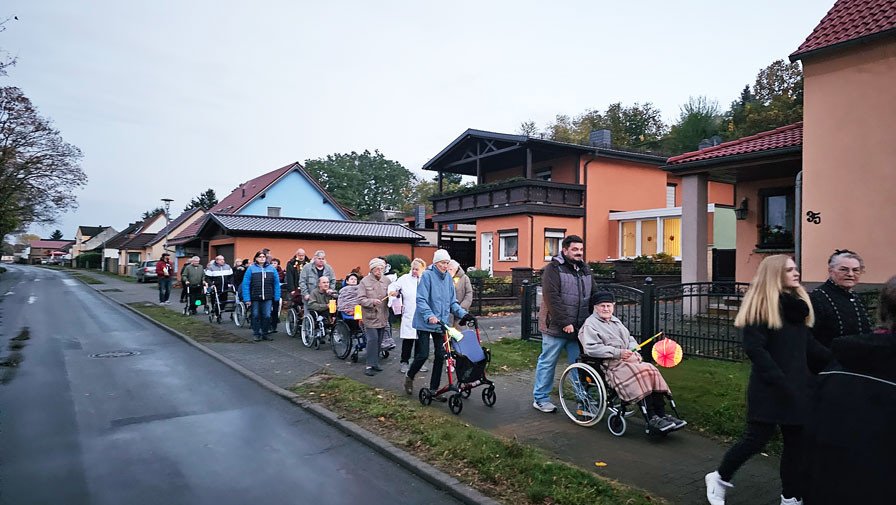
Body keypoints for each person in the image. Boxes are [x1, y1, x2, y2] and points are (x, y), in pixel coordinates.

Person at [705, 255, 831, 505]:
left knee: (796, 445)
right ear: (774, 274)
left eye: (796, 268)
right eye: (789, 270)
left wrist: (841, 357)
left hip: (798, 389)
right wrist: (779, 379)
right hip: (770, 389)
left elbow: (810, 347)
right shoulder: (761, 308)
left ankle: (790, 496)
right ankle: (719, 478)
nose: (796, 273)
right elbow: (756, 350)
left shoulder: (796, 309)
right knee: (755, 440)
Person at [804, 275, 895, 505]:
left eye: (856, 268)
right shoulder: (819, 299)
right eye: (844, 268)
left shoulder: (840, 364)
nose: (851, 274)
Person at [579, 291, 686, 432]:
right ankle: (652, 417)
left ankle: (662, 414)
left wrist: (632, 349)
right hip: (610, 364)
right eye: (602, 306)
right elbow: (591, 349)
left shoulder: (616, 321)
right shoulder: (590, 325)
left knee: (651, 369)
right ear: (595, 307)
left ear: (613, 306)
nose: (606, 309)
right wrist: (618, 353)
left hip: (629, 360)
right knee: (640, 372)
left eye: (609, 306)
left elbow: (630, 339)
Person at [533, 235, 596, 413]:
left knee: (579, 366)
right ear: (565, 250)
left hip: (578, 328)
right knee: (548, 362)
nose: (579, 253)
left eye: (581, 250)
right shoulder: (553, 269)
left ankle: (582, 400)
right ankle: (540, 398)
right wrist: (564, 322)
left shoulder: (584, 269)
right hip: (556, 327)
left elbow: (593, 293)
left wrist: (601, 310)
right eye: (575, 250)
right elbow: (551, 297)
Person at [404, 249, 473, 396]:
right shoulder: (427, 276)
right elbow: (421, 299)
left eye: (447, 263)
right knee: (422, 354)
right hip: (425, 321)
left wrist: (464, 314)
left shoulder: (448, 278)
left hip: (440, 323)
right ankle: (409, 377)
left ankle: (433, 389)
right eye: (443, 262)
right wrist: (429, 315)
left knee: (440, 355)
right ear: (435, 263)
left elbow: (452, 302)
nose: (445, 265)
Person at [809, 249, 872, 348]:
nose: (850, 274)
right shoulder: (817, 298)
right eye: (843, 269)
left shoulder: (857, 298)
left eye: (855, 270)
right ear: (831, 271)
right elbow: (810, 340)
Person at [389, 258, 428, 374]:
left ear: (422, 269)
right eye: (413, 269)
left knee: (420, 340)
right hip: (409, 313)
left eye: (417, 269)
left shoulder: (426, 279)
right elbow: (393, 287)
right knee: (408, 340)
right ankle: (404, 362)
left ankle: (418, 363)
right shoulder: (405, 279)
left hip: (422, 313)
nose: (415, 271)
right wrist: (394, 293)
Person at [359, 258, 391, 376]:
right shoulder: (364, 282)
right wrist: (371, 301)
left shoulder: (387, 281)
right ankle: (369, 365)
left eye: (381, 268)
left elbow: (392, 293)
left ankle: (375, 363)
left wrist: (395, 295)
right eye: (377, 268)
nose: (379, 271)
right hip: (370, 316)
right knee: (372, 340)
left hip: (382, 316)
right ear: (372, 269)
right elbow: (360, 299)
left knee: (379, 341)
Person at [241, 251, 281, 342]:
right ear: (256, 258)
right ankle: (256, 333)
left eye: (263, 256)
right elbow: (246, 284)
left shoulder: (272, 269)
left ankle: (265, 333)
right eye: (260, 256)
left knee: (267, 315)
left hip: (268, 296)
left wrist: (277, 297)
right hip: (255, 296)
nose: (262, 258)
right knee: (255, 315)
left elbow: (276, 284)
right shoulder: (251, 269)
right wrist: (247, 298)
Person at [448, 260, 473, 328]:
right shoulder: (446, 279)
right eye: (447, 269)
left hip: (461, 312)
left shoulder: (464, 278)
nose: (448, 271)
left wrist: (462, 308)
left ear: (456, 269)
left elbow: (469, 294)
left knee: (461, 334)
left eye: (450, 269)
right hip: (449, 313)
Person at [269, 258, 286, 333]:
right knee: (268, 309)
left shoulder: (281, 272)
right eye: (272, 263)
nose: (273, 264)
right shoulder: (268, 270)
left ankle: (274, 325)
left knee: (276, 309)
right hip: (269, 293)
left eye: (275, 263)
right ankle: (268, 324)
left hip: (277, 292)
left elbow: (281, 279)